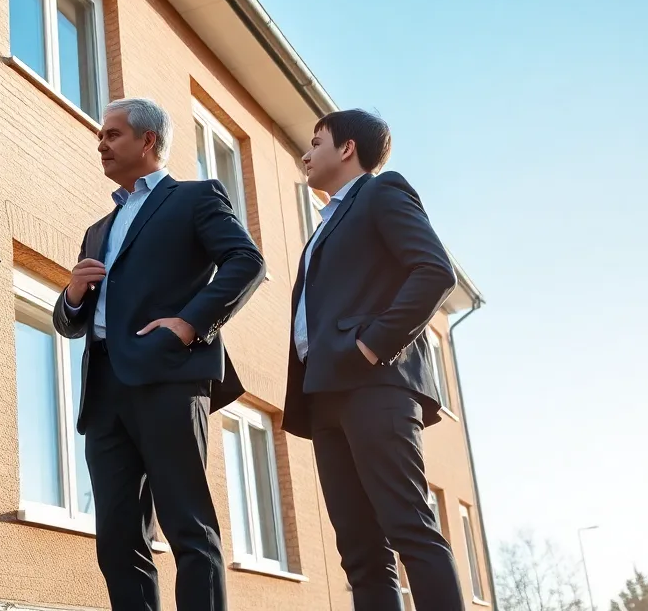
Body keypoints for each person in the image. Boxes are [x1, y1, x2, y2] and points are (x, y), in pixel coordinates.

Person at [53, 97, 265, 611]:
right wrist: (73, 294)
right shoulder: (97, 229)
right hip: (104, 394)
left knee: (189, 528)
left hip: (169, 380)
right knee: (117, 540)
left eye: (113, 134)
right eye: (101, 135)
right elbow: (68, 322)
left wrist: (188, 325)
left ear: (148, 140)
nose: (100, 143)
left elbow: (246, 261)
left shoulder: (194, 198)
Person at [281, 109, 462, 610]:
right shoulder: (324, 223)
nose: (305, 153)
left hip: (374, 385)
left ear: (347, 149)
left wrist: (373, 345)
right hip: (323, 395)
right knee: (360, 554)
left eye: (316, 142)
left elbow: (433, 271)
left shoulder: (382, 192)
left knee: (410, 529)